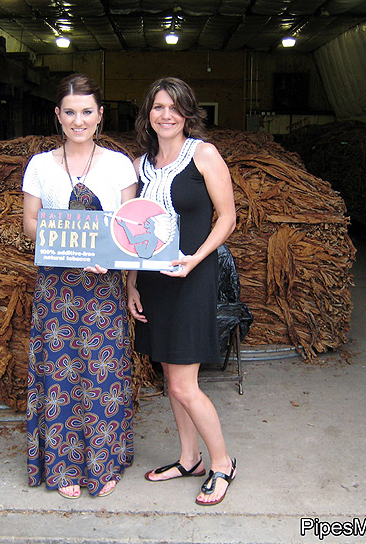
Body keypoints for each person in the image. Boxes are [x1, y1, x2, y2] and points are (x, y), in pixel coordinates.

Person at [22, 73, 138, 499]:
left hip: (104, 287)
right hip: (56, 287)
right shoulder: (39, 165)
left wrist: (122, 276)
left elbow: (130, 230)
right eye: (70, 112)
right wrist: (72, 251)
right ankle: (63, 465)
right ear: (58, 114)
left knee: (104, 374)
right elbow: (30, 224)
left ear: (100, 115)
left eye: (87, 111)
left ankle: (104, 464)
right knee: (61, 375)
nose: (78, 120)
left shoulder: (119, 165)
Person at [126, 77, 238, 506]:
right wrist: (132, 283)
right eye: (157, 107)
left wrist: (196, 257)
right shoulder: (140, 166)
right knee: (171, 379)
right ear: (148, 115)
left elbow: (227, 218)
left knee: (184, 385)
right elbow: (130, 230)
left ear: (189, 113)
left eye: (175, 107)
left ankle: (223, 462)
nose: (166, 114)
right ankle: (189, 458)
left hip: (191, 278)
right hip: (154, 280)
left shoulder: (203, 155)